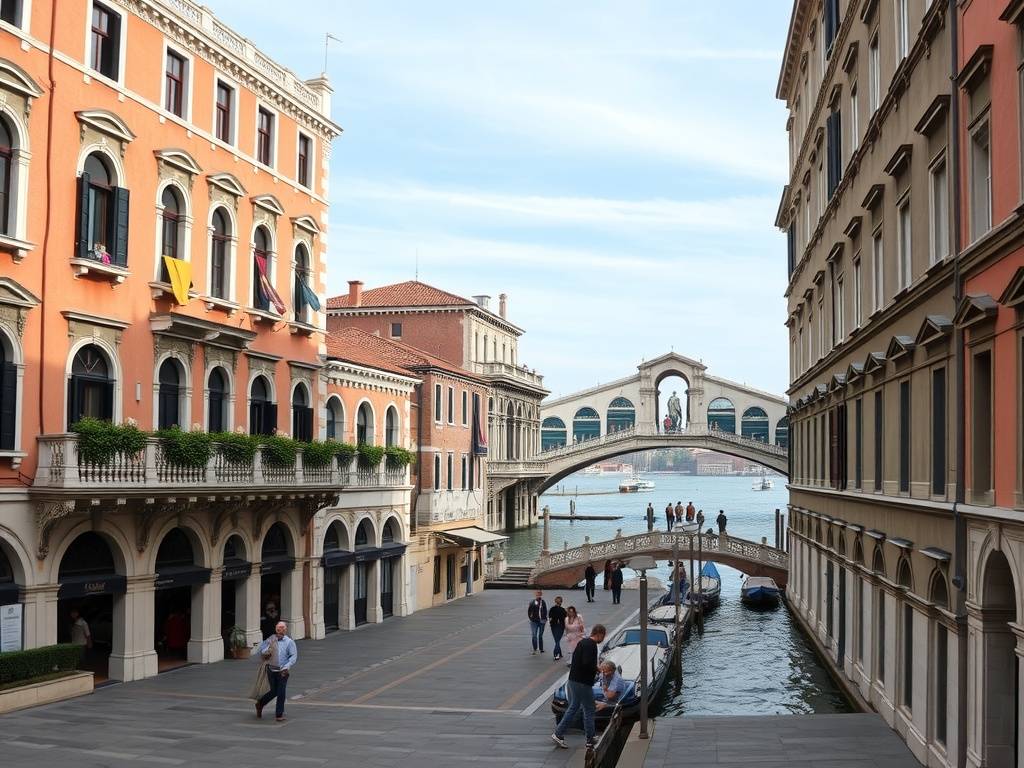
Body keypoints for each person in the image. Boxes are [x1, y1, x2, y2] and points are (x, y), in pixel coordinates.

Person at [551, 624, 607, 750]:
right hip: (583, 682)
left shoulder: (583, 642)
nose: (603, 638)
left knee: (574, 707)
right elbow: (587, 662)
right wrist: (597, 669)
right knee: (589, 709)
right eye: (603, 636)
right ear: (599, 634)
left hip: (573, 680)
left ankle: (559, 734)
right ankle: (590, 738)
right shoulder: (591, 645)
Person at [255, 621, 297, 722]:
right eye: (278, 628)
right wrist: (267, 650)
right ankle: (260, 703)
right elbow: (260, 651)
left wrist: (286, 666)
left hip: (283, 671)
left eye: (282, 628)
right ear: (276, 629)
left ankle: (279, 714)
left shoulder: (289, 642)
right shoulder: (271, 640)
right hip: (271, 669)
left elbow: (293, 656)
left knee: (281, 692)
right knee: (274, 691)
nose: (280, 630)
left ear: (286, 630)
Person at [527, 590, 548, 655]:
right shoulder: (532, 602)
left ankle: (541, 648)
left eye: (539, 594)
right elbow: (529, 611)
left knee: (540, 635)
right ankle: (535, 649)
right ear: (535, 594)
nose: (538, 595)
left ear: (541, 595)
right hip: (534, 621)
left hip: (542, 621)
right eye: (537, 594)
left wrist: (545, 619)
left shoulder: (543, 602)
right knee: (534, 635)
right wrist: (531, 618)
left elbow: (545, 611)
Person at [548, 596, 567, 661]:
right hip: (561, 626)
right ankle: (556, 654)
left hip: (553, 626)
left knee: (556, 640)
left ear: (555, 601)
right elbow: (566, 619)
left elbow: (550, 619)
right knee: (558, 641)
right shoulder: (563, 610)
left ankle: (558, 653)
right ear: (561, 602)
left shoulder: (552, 609)